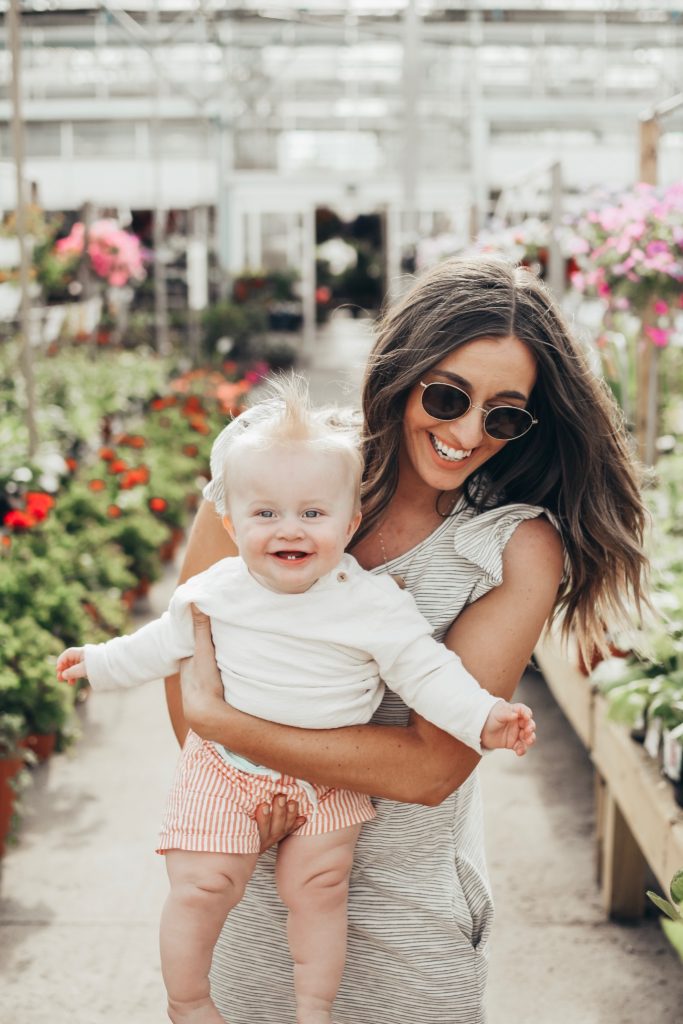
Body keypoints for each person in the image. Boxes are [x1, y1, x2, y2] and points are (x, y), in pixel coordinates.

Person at [169, 256, 649, 1024]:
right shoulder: (271, 467)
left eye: (503, 415)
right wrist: (232, 770)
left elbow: (430, 766)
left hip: (405, 932)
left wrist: (227, 727)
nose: (466, 434)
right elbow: (184, 653)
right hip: (252, 898)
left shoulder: (510, 546)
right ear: (402, 367)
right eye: (448, 396)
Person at [55, 377, 536, 1024]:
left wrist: (485, 717)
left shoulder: (370, 602)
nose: (290, 530)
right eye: (266, 515)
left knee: (318, 887)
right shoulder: (217, 590)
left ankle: (312, 1008)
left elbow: (429, 674)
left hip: (328, 781)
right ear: (231, 522)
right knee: (199, 885)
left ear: (349, 522)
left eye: (313, 515)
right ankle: (188, 1000)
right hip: (226, 772)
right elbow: (164, 644)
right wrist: (100, 663)